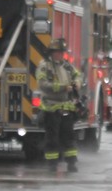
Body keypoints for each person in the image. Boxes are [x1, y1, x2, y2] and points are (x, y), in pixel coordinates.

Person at [36, 38, 83, 172]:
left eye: (62, 52)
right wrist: (62, 87)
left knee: (69, 137)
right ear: (51, 53)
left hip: (67, 106)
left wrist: (77, 82)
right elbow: (43, 84)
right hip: (51, 108)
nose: (60, 55)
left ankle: (71, 163)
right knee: (52, 138)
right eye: (58, 52)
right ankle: (52, 164)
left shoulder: (66, 65)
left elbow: (77, 74)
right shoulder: (44, 66)